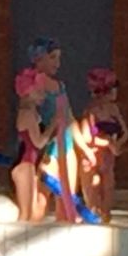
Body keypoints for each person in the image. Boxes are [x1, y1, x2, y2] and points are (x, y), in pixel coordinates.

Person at [30, 37, 97, 223]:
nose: (57, 63)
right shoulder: (32, 85)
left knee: (66, 204)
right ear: (38, 58)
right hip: (48, 149)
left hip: (66, 148)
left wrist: (84, 148)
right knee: (40, 202)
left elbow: (70, 118)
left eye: (59, 58)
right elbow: (30, 119)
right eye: (52, 58)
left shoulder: (60, 86)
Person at [79, 68, 128, 222]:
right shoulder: (91, 111)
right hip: (93, 156)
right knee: (93, 187)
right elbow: (88, 137)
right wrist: (108, 143)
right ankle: (94, 215)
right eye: (114, 88)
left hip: (108, 158)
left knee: (108, 185)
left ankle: (106, 215)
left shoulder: (114, 109)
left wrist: (118, 144)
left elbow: (125, 131)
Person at [13, 68, 55, 222]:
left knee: (33, 214)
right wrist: (53, 124)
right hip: (24, 165)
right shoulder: (27, 114)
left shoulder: (33, 113)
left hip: (30, 164)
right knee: (25, 215)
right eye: (39, 91)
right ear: (28, 92)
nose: (43, 95)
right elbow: (38, 142)